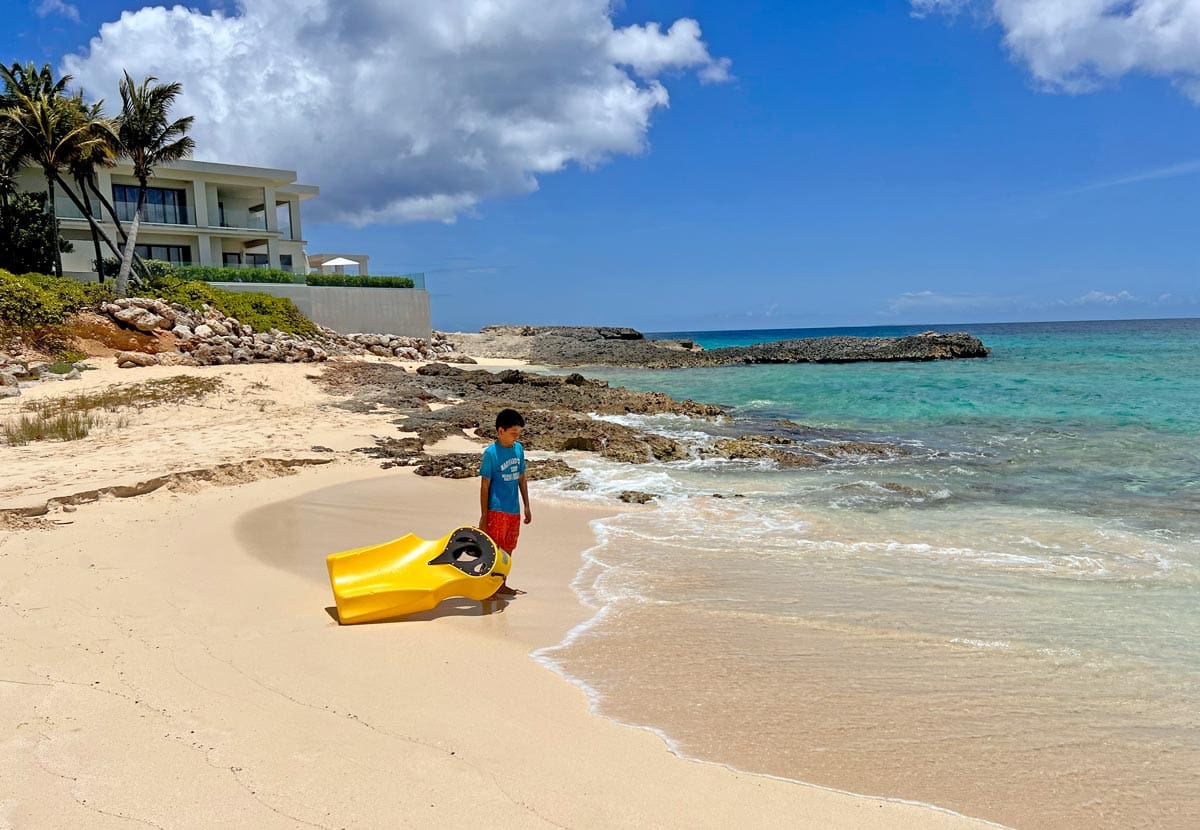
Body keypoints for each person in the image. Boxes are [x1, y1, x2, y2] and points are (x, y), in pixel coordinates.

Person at [479, 408, 531, 596]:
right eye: (513, 433)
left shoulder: (518, 449)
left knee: (509, 548)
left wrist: (526, 506)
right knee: (493, 549)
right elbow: (485, 485)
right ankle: (487, 588)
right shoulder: (491, 453)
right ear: (501, 431)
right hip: (496, 509)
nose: (516, 437)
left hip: (514, 510)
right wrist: (484, 515)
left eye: (518, 434)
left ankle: (501, 584)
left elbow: (522, 478)